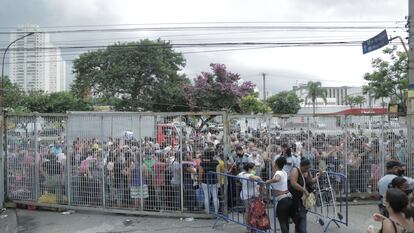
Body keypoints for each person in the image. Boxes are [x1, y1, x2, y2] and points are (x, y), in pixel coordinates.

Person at [289, 158, 323, 233]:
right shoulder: (295, 170)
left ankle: (297, 230)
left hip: (305, 200)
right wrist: (304, 190)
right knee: (301, 217)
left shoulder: (308, 172)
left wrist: (319, 176)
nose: (307, 169)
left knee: (300, 218)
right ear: (301, 165)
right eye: (306, 168)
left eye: (308, 168)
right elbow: (293, 183)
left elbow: (311, 181)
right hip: (297, 199)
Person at [266, 156, 293, 233]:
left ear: (277, 164)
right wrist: (271, 161)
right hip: (287, 197)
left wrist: (269, 181)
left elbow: (277, 179)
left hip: (282, 199)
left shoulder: (278, 173)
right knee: (285, 220)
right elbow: (275, 167)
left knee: (282, 222)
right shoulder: (283, 172)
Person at [238, 162, 262, 232]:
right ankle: (249, 227)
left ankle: (251, 227)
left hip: (251, 195)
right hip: (248, 196)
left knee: (250, 211)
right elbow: (253, 177)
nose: (254, 170)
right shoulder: (247, 175)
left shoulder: (241, 174)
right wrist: (259, 178)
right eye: (253, 169)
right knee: (249, 211)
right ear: (249, 169)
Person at [199, 150, 219, 214]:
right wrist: (218, 182)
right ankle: (216, 211)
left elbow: (200, 172)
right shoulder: (216, 162)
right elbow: (218, 173)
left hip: (205, 181)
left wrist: (200, 180)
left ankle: (207, 211)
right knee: (215, 197)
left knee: (206, 197)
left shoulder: (202, 162)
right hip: (214, 181)